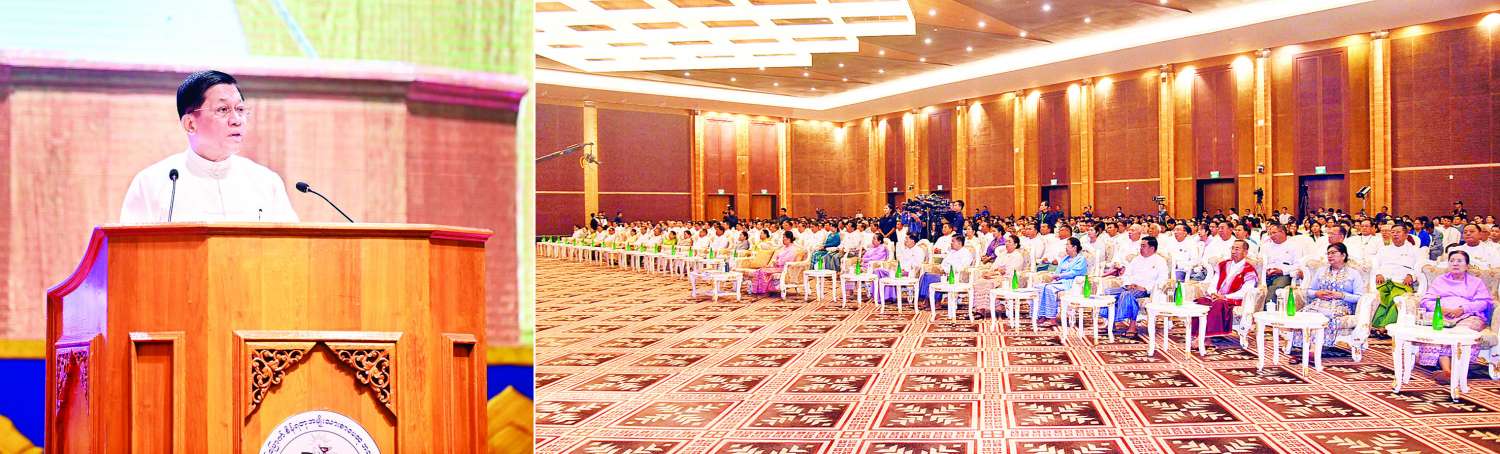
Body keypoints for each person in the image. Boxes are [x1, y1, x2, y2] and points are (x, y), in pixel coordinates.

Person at [120, 70, 298, 223]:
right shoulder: (151, 184)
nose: (236, 120)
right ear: (190, 124)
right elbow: (130, 249)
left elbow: (291, 246)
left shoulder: (266, 182)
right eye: (223, 109)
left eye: (240, 109)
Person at [1417, 251, 1494, 384]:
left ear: (1467, 266)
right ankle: (1448, 371)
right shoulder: (1440, 280)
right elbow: (1426, 300)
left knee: (1461, 333)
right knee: (1437, 331)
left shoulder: (1476, 282)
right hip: (1442, 314)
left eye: (1459, 261)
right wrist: (1440, 309)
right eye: (1452, 261)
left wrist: (1462, 309)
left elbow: (1483, 302)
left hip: (1467, 315)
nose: (1455, 264)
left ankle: (1450, 371)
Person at [1288, 243, 1365, 357]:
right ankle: (1305, 347)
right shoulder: (1321, 271)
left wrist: (1341, 295)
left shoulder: (1353, 274)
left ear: (1343, 255)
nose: (1330, 256)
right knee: (1305, 315)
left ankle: (1313, 350)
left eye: (1333, 253)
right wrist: (1317, 293)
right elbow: (1309, 291)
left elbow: (1359, 297)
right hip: (1318, 303)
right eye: (1328, 253)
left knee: (1325, 317)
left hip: (1340, 306)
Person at [1192, 240, 1259, 339]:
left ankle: (1207, 337)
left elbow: (1245, 292)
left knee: (1219, 303)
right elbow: (1214, 282)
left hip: (1233, 300)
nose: (1233, 251)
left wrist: (1224, 297)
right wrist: (1213, 293)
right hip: (1217, 297)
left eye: (1237, 249)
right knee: (1201, 301)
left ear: (1245, 252)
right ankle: (1196, 333)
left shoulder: (1249, 270)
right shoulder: (1223, 265)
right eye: (1232, 248)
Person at [1106, 236, 1169, 337]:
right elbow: (1127, 274)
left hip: (1144, 289)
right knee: (1107, 293)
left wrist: (1146, 288)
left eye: (1143, 246)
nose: (1140, 248)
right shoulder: (1136, 259)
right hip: (1130, 286)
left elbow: (1163, 279)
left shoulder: (1160, 261)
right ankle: (1110, 323)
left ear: (1152, 248)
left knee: (1128, 295)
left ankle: (1132, 326)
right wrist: (1128, 284)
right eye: (1141, 246)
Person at [1371, 222, 1424, 333]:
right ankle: (1377, 326)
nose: (1395, 234)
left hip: (1402, 283)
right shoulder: (1383, 249)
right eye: (1393, 232)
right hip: (1385, 281)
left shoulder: (1414, 250)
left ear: (1406, 235)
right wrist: (1378, 273)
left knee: (1397, 298)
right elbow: (1375, 265)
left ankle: (1384, 327)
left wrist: (1411, 275)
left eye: (1398, 232)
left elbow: (1419, 266)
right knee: (1383, 296)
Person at [1034, 237, 1088, 328]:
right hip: (1059, 281)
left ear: (1074, 247)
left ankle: (1052, 317)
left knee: (1049, 288)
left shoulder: (1081, 259)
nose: (1065, 247)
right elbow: (1058, 270)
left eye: (1067, 244)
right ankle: (1042, 314)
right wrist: (1055, 276)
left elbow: (1074, 273)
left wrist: (1060, 276)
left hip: (1070, 282)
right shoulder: (1065, 258)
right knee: (1039, 287)